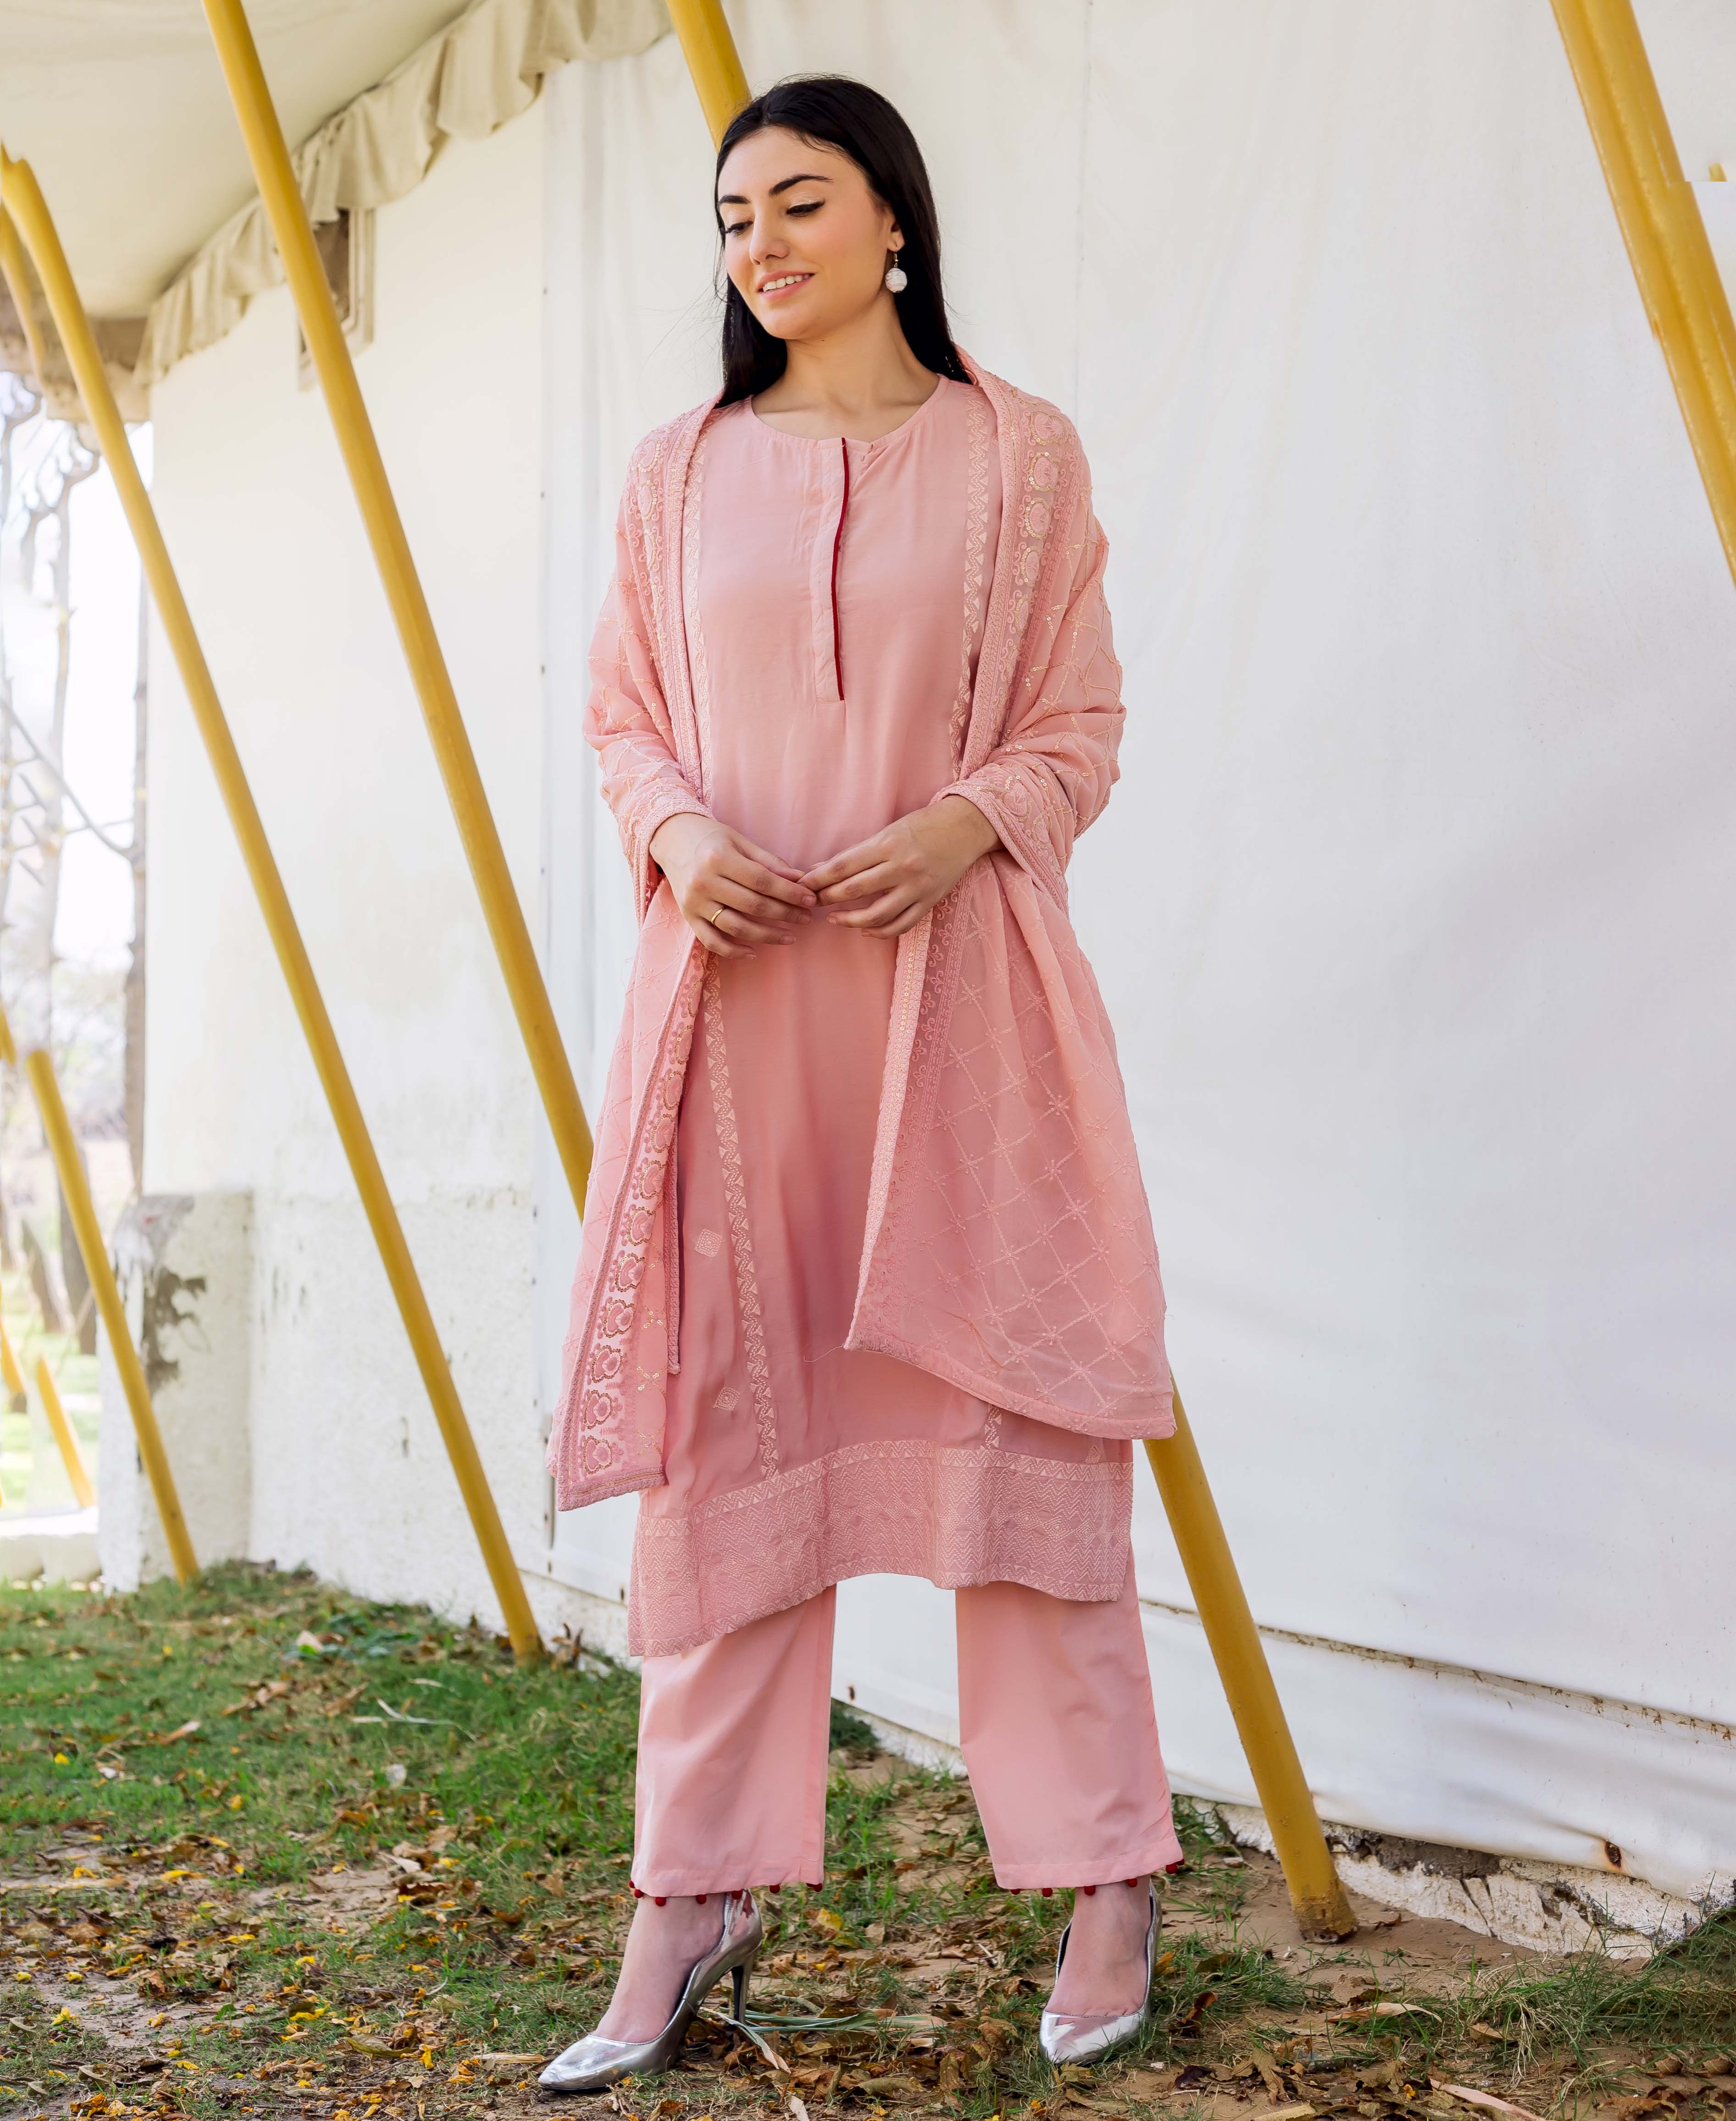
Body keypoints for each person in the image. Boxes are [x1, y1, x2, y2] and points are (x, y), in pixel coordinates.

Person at [541, 74, 1181, 2095]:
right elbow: (620, 714)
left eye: (799, 204)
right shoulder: (676, 470)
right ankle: (688, 1895)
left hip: (956, 1020)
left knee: (1016, 1429)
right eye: (733, 218)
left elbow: (1078, 721)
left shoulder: (1017, 455)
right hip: (740, 1034)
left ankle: (1104, 1874)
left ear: (894, 217)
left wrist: (967, 819)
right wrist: (675, 836)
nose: (760, 246)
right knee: (733, 1442)